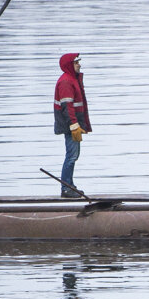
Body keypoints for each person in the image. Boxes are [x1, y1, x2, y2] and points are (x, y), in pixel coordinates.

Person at [54, 52, 91, 198]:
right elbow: (67, 106)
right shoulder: (66, 82)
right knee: (71, 156)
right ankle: (66, 187)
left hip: (74, 124)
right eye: (76, 63)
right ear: (70, 65)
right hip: (70, 125)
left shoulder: (72, 79)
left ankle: (70, 185)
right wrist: (74, 124)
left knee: (73, 155)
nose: (79, 65)